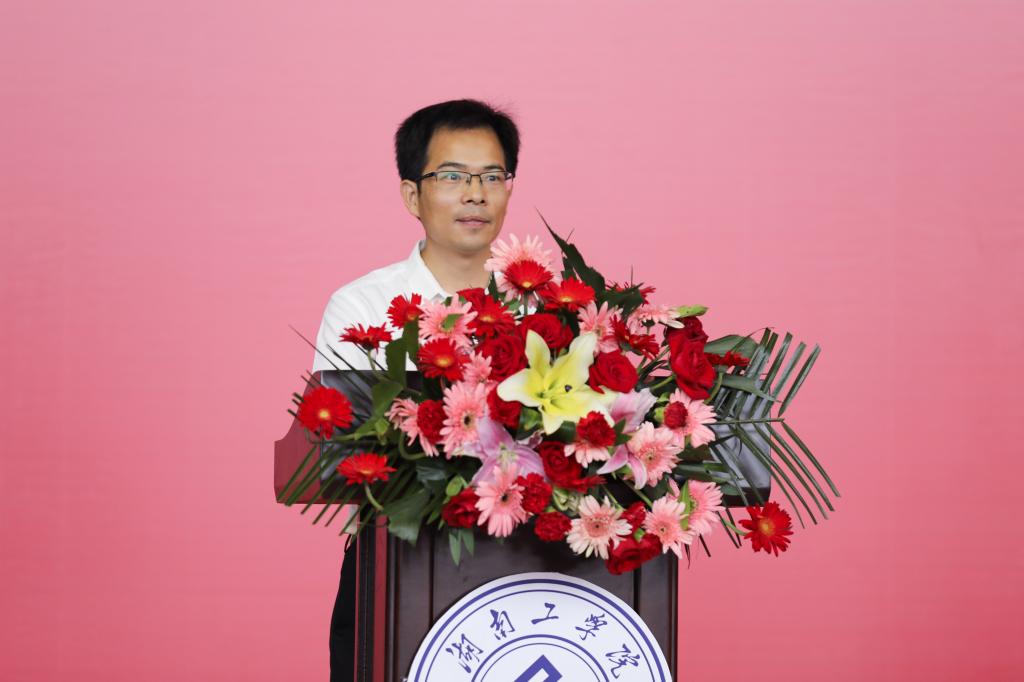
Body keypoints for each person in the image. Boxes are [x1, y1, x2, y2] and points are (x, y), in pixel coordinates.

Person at [310, 98, 521, 681]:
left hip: (533, 563)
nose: (475, 194)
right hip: (397, 562)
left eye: (492, 176)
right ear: (412, 195)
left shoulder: (547, 305)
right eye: (452, 176)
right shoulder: (362, 306)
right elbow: (342, 446)